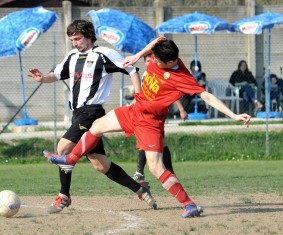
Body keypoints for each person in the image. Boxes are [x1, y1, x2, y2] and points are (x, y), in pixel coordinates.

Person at [45, 36, 252, 218]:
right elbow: (157, 40)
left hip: (150, 122)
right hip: (135, 110)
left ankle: (189, 205)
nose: (154, 62)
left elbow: (206, 96)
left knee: (155, 167)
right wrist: (137, 56)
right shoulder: (160, 50)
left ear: (171, 62)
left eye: (159, 62)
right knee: (97, 126)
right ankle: (69, 160)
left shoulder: (182, 77)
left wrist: (233, 115)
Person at [28, 19, 157, 213]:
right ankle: (140, 188)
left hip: (92, 112)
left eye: (78, 38)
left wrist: (138, 98)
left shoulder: (104, 54)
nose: (74, 43)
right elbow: (56, 74)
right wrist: (42, 78)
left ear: (89, 36)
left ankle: (64, 196)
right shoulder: (72, 56)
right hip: (78, 113)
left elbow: (131, 68)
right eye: (72, 39)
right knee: (100, 164)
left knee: (63, 148)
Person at [132, 54, 188, 182]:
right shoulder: (146, 74)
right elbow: (141, 94)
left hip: (156, 114)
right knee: (147, 141)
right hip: (144, 113)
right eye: (146, 61)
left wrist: (181, 109)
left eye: (149, 60)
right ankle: (141, 171)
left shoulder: (159, 74)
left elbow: (172, 92)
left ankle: (149, 171)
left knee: (160, 143)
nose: (148, 63)